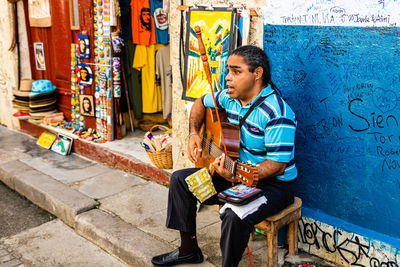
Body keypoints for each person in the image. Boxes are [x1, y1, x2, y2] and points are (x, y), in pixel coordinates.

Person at [151, 45, 297, 267]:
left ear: (257, 73)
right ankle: (188, 250)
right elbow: (200, 102)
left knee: (233, 212)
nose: (228, 77)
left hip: (272, 186)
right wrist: (193, 134)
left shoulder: (277, 113)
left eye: (236, 72)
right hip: (233, 174)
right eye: (228, 70)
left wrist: (236, 173)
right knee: (181, 181)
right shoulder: (229, 98)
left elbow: (277, 165)